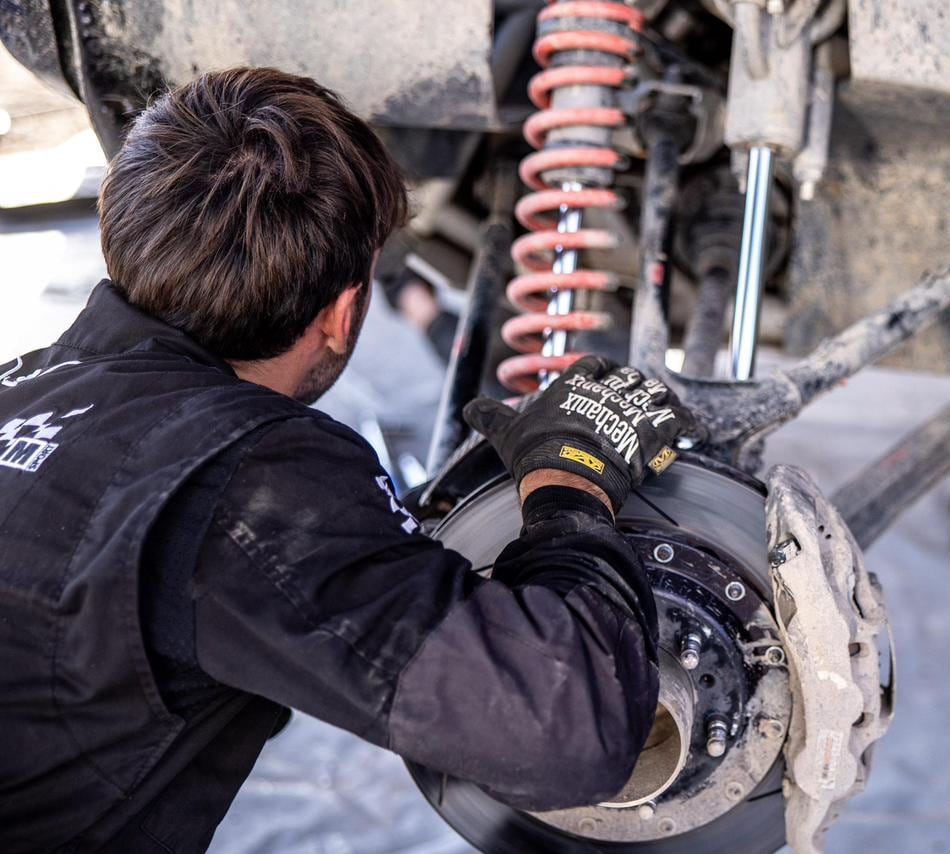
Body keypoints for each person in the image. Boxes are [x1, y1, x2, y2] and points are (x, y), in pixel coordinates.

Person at [0, 67, 693, 852]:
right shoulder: (250, 478)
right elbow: (566, 725)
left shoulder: (19, 390)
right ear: (342, 312)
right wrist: (569, 477)